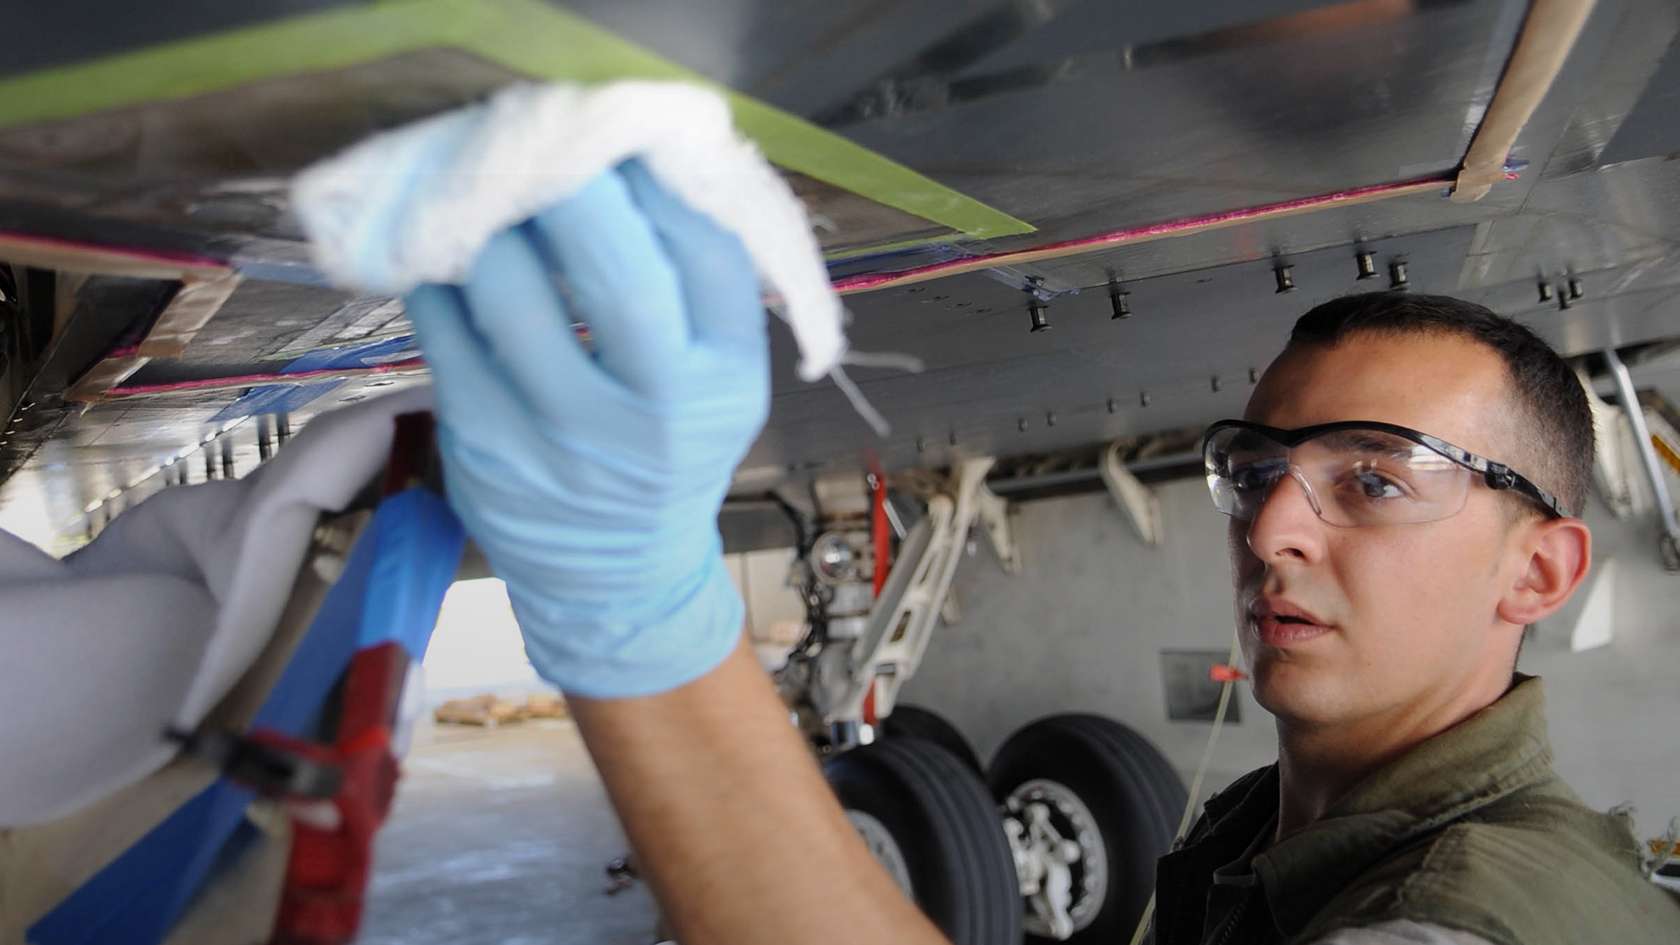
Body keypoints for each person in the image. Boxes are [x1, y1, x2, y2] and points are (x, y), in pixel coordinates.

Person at [405, 163, 1679, 945]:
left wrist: (632, 607)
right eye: (1255, 471)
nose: (1273, 527)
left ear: (1542, 572)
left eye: (1374, 481)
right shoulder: (1269, 840)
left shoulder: (1475, 914)